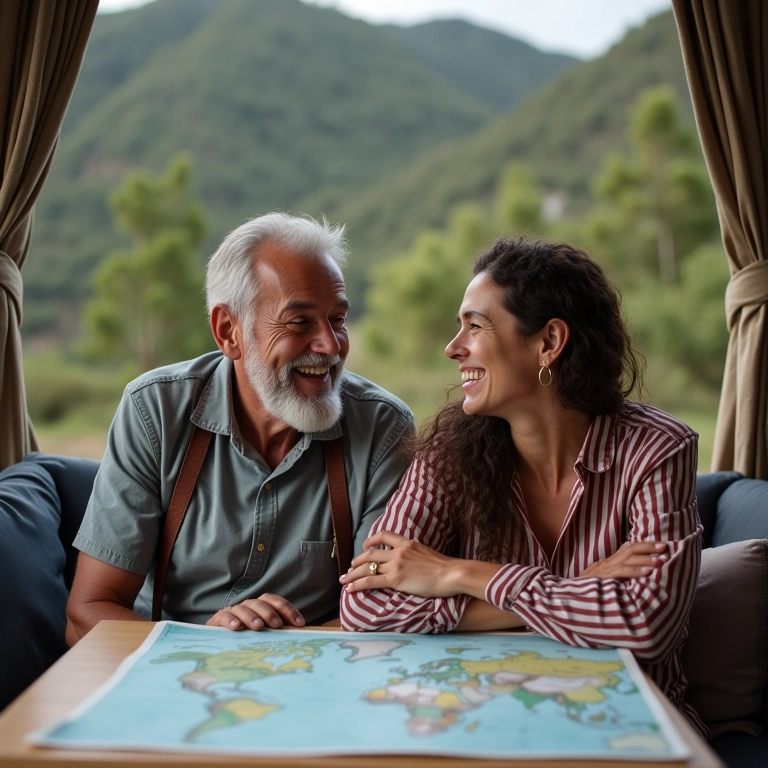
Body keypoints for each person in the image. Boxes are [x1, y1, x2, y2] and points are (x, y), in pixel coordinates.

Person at [339, 237, 706, 735]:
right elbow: (363, 604)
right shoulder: (448, 455)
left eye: (475, 326)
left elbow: (646, 627)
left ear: (549, 342)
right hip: (486, 721)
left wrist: (460, 574)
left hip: (629, 732)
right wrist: (579, 590)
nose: (453, 348)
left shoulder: (658, 450)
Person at [66, 213, 414, 642]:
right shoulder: (154, 409)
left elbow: (384, 609)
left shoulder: (384, 426)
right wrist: (207, 646)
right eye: (300, 322)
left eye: (338, 319)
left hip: (316, 680)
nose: (330, 344)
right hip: (165, 676)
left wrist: (276, 651)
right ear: (229, 331)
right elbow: (87, 613)